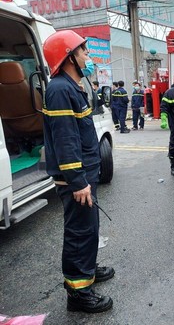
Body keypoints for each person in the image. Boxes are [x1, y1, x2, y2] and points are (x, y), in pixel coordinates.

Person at [42, 30, 114, 313]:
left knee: (89, 227)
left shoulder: (73, 86)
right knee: (79, 232)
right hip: (76, 177)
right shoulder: (60, 89)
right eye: (83, 51)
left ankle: (88, 269)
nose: (88, 56)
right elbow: (65, 140)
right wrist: (77, 180)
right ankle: (78, 293)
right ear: (69, 57)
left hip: (85, 173)